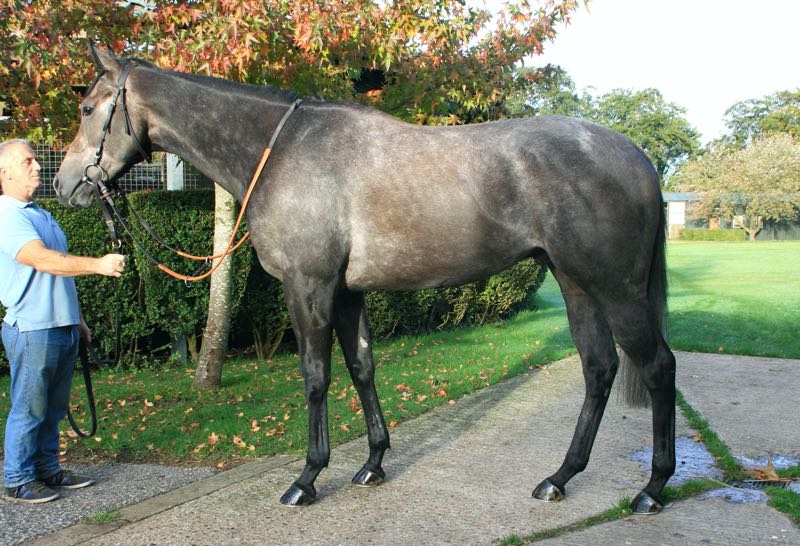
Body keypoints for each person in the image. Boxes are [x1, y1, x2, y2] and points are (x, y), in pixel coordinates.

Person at [0, 139, 126, 503]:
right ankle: (17, 479)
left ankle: (47, 470)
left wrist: (78, 318)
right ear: (5, 173)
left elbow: (61, 273)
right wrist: (99, 265)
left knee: (54, 408)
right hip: (33, 327)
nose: (37, 166)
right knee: (30, 407)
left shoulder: (39, 213)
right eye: (27, 162)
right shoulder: (8, 215)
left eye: (35, 160)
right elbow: (43, 260)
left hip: (61, 325)